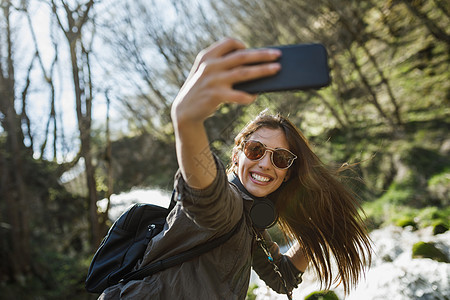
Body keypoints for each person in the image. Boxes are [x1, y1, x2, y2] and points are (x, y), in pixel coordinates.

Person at [99, 38, 372, 299]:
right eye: (255, 150)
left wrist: (320, 228)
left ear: (288, 171)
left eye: (280, 158)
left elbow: (283, 277)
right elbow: (207, 194)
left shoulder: (251, 224)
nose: (265, 163)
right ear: (237, 154)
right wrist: (187, 120)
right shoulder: (225, 204)